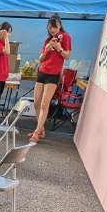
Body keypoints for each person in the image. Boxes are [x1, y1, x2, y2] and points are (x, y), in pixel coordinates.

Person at [30, 15, 70, 143]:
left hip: (53, 75)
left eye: (55, 27)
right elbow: (41, 59)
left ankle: (37, 132)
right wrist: (47, 50)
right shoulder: (48, 40)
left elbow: (67, 56)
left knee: (44, 103)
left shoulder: (65, 37)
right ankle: (40, 129)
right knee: (36, 103)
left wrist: (59, 48)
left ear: (60, 26)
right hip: (43, 72)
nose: (52, 30)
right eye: (50, 27)